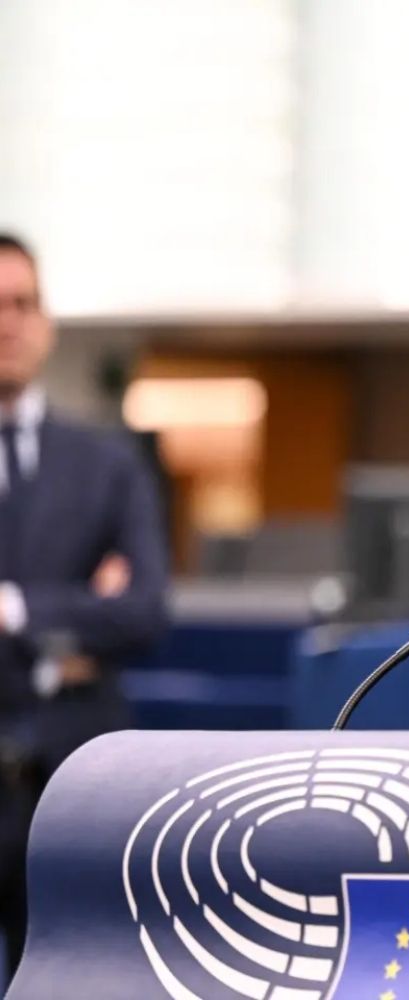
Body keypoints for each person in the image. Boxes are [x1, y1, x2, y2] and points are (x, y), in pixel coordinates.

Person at [0, 232, 170, 972]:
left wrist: (13, 611)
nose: (8, 321)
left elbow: (143, 612)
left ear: (47, 322)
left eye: (22, 303)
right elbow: (108, 611)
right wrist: (78, 615)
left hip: (72, 792)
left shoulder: (108, 466)